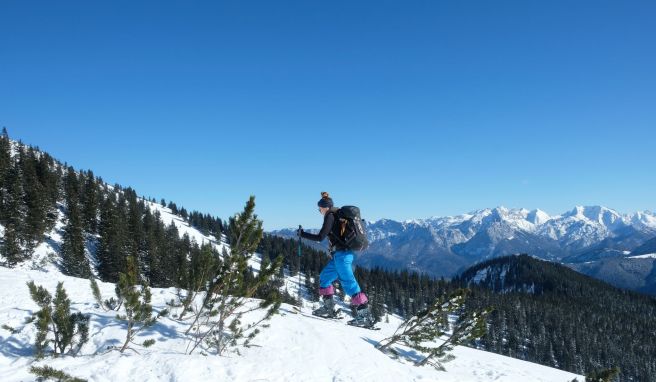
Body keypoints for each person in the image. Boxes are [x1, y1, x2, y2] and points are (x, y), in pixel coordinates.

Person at [298, 192, 374, 328]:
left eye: (319, 208)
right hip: (340, 255)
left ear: (324, 207)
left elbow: (321, 237)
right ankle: (329, 309)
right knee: (325, 277)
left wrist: (302, 234)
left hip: (342, 256)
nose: (319, 211)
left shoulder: (330, 216)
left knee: (349, 283)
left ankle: (364, 316)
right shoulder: (336, 216)